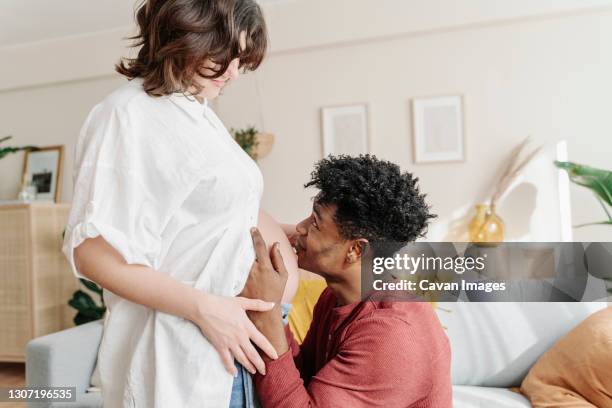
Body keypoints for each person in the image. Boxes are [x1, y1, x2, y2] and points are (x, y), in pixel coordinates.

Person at [61, 1, 298, 406]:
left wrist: (308, 234)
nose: (235, 73)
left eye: (241, 60)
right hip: (181, 354)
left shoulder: (198, 112)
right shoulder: (127, 114)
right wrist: (207, 310)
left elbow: (215, 217)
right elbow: (93, 255)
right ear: (188, 36)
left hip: (237, 345)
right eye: (226, 57)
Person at [240, 155, 452, 407]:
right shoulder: (338, 296)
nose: (300, 227)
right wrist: (275, 314)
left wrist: (268, 312)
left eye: (315, 223)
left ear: (355, 250)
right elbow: (304, 375)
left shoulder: (390, 335)